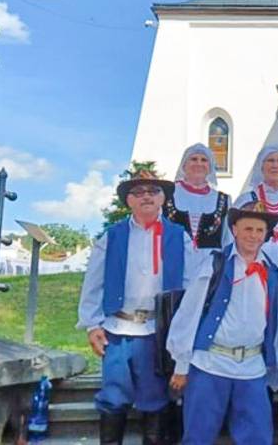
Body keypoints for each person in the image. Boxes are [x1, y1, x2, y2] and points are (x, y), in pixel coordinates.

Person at [77, 170, 203, 445]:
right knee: (113, 396)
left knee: (154, 397)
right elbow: (93, 283)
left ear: (163, 198)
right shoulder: (111, 237)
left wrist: (181, 332)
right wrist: (92, 324)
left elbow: (190, 287)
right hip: (117, 329)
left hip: (156, 332)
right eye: (138, 192)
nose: (146, 196)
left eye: (152, 191)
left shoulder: (178, 237)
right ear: (128, 202)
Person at [165, 201, 278, 445]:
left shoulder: (272, 270)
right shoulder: (215, 263)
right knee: (198, 436)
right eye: (248, 229)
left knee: (257, 436)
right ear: (235, 229)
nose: (254, 236)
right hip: (210, 363)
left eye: (260, 230)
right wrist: (181, 364)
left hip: (251, 366)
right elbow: (189, 312)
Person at [234, 145, 278, 391]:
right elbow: (234, 238)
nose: (275, 165)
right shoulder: (247, 199)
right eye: (270, 161)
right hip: (256, 269)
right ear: (261, 167)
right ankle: (260, 390)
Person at [164, 143, 231, 254]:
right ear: (184, 165)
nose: (199, 163)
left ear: (210, 167)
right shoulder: (168, 194)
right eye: (194, 159)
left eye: (204, 160)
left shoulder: (223, 199)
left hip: (210, 267)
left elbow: (227, 238)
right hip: (174, 263)